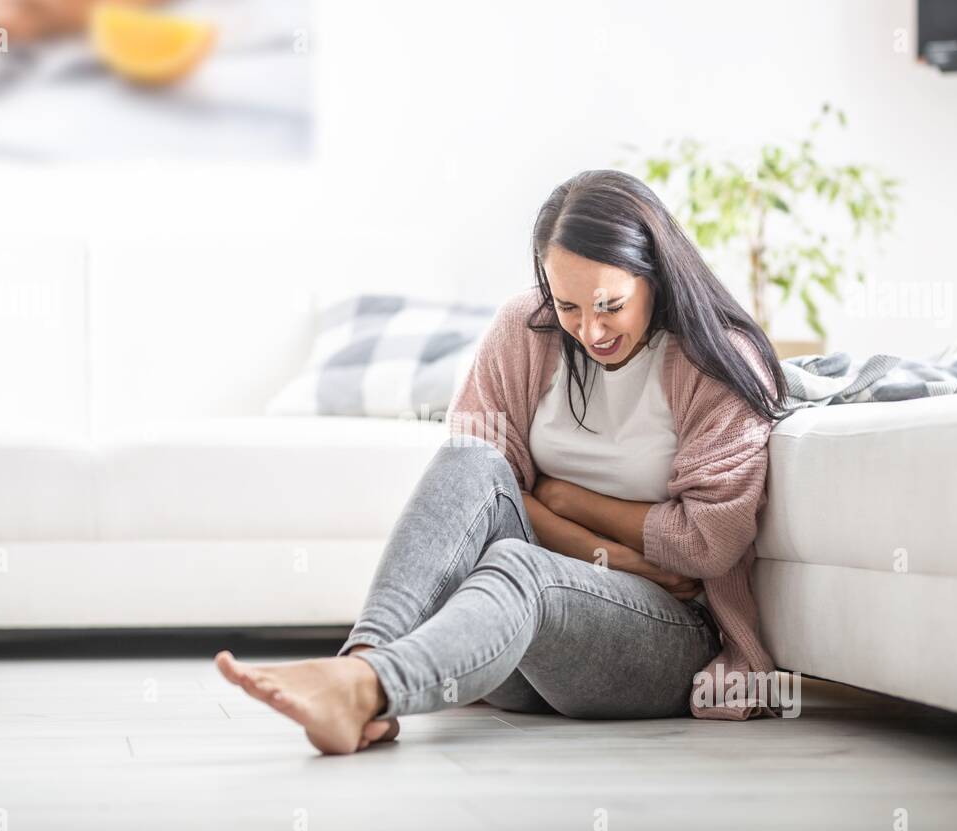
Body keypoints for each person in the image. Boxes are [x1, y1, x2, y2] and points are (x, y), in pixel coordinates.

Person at [216, 168, 790, 754]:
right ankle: (362, 666)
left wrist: (564, 499)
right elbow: (486, 485)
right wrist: (621, 556)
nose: (589, 331)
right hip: (510, 650)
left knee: (519, 563)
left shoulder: (717, 360)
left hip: (654, 641)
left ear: (656, 275)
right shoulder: (524, 329)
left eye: (609, 305)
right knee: (470, 460)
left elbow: (705, 544)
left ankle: (370, 687)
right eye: (567, 305)